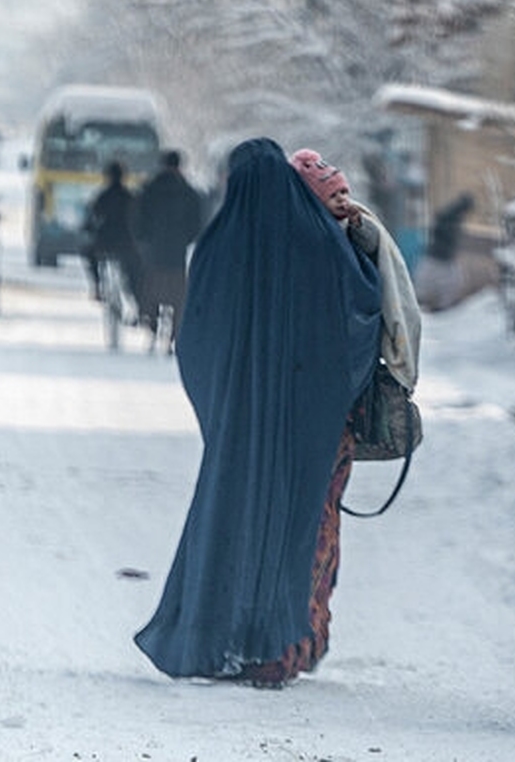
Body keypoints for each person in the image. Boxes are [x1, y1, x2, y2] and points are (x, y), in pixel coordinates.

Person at [134, 138, 383, 688]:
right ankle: (278, 647)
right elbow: (362, 313)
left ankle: (212, 636)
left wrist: (220, 409)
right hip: (308, 428)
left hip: (238, 431)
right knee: (295, 530)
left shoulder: (220, 246)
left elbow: (193, 338)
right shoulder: (321, 245)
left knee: (226, 525)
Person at [288, 147, 421, 393]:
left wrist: (359, 224)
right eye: (333, 196)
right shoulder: (306, 231)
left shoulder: (353, 221)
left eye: (344, 192)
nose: (342, 200)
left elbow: (373, 246)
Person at [133, 149, 204, 352]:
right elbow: (196, 224)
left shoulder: (149, 189)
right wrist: (184, 240)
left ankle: (152, 327)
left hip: (153, 253)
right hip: (176, 254)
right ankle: (172, 337)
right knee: (177, 297)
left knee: (151, 291)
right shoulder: (189, 192)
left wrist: (144, 240)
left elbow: (138, 220)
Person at [81, 160, 145, 306]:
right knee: (136, 268)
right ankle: (137, 300)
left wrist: (87, 228)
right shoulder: (130, 197)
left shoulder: (102, 197)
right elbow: (138, 220)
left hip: (104, 243)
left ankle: (97, 286)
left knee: (88, 253)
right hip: (126, 244)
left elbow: (91, 219)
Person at [413, 193, 474, 311]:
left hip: (438, 255)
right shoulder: (451, 217)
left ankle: (435, 305)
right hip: (440, 256)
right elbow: (445, 232)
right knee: (451, 282)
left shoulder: (451, 215)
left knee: (431, 281)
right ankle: (440, 307)